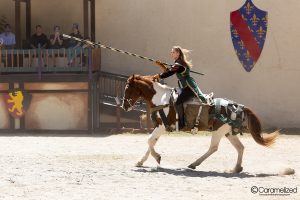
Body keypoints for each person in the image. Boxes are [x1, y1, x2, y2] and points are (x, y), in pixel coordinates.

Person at [153, 46, 212, 130]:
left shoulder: (179, 64)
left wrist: (159, 76)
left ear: (178, 53)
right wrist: (161, 65)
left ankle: (182, 124)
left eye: (173, 52)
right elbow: (170, 71)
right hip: (184, 86)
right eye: (171, 52)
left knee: (178, 103)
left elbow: (169, 72)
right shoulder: (178, 63)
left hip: (188, 87)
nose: (171, 53)